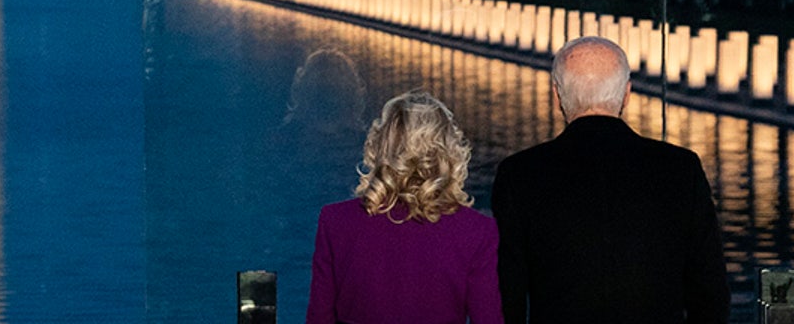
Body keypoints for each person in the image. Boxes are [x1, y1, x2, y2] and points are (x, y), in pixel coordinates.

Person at [491, 36, 729, 324]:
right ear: (627, 94)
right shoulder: (681, 169)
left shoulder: (519, 174)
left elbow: (509, 296)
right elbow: (710, 291)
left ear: (557, 96)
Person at [305, 90, 502, 324]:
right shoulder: (478, 231)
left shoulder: (335, 221)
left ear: (380, 147)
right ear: (449, 152)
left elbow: (319, 318)